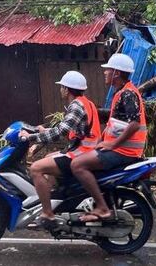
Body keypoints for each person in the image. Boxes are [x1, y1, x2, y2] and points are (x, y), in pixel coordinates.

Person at [70, 53, 147, 222]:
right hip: (121, 149)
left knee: (77, 165)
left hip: (124, 151)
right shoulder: (121, 92)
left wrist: (112, 145)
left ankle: (102, 208)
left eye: (108, 70)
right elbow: (117, 125)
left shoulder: (127, 94)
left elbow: (134, 124)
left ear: (117, 73)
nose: (105, 73)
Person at [20, 70, 100, 228]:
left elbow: (60, 132)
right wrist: (42, 131)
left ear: (67, 89)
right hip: (84, 150)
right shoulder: (85, 102)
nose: (60, 90)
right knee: (49, 156)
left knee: (36, 169)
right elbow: (69, 130)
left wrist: (31, 138)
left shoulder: (77, 106)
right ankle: (55, 200)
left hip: (80, 154)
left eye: (62, 87)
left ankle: (48, 213)